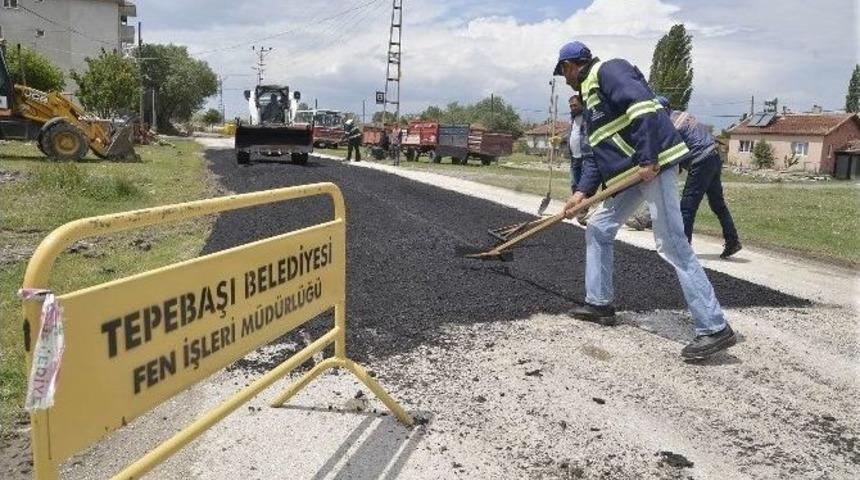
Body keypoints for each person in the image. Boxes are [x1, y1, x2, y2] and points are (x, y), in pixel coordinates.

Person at [553, 40, 737, 359]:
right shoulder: (590, 100)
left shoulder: (608, 70)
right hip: (630, 174)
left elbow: (644, 108)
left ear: (571, 66)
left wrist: (649, 158)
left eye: (563, 72)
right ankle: (600, 305)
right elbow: (598, 156)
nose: (565, 79)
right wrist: (580, 194)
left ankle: (714, 327)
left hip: (653, 165)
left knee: (672, 243)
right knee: (597, 227)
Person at [657, 96, 742, 258]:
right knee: (718, 205)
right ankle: (733, 241)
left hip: (701, 161)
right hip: (714, 156)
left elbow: (672, 153)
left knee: (688, 207)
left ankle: (683, 249)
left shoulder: (669, 125)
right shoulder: (682, 115)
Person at [568, 94, 592, 225]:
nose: (572, 108)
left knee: (584, 186)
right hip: (574, 157)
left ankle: (583, 213)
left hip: (585, 156)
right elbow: (573, 134)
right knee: (574, 184)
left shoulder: (587, 117)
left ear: (582, 105)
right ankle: (576, 208)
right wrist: (560, 139)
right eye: (571, 106)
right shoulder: (573, 118)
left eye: (575, 105)